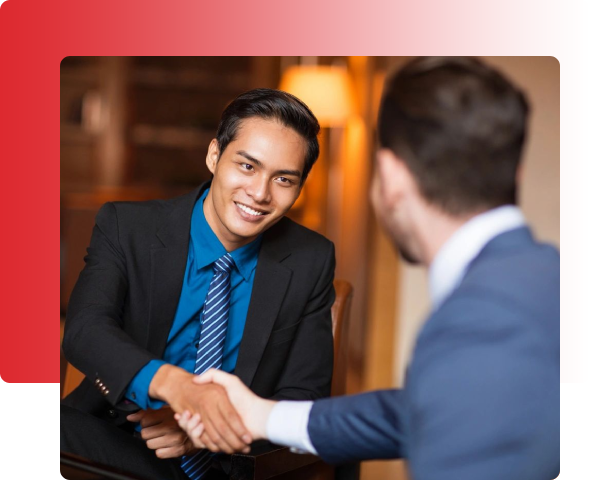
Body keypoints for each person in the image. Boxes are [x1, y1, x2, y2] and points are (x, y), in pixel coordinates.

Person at [178, 57, 561, 480]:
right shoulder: (544, 281)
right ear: (515, 173)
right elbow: (420, 409)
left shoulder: (477, 321)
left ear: (391, 177)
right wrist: (263, 417)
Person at [60, 88, 336, 480]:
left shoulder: (311, 258)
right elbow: (86, 330)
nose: (259, 193)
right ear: (214, 156)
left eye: (284, 179)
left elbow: (304, 399)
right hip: (114, 441)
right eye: (247, 166)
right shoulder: (128, 228)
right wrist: (176, 387)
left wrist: (204, 430)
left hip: (226, 463)